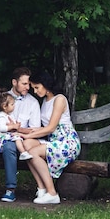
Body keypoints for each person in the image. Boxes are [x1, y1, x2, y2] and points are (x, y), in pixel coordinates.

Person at [0, 67, 41, 205]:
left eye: (29, 84)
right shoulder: (0, 99)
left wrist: (17, 129)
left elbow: (34, 130)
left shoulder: (33, 103)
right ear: (14, 82)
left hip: (16, 140)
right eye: (24, 84)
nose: (27, 87)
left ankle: (10, 189)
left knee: (9, 148)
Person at [20, 70, 81, 204]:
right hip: (53, 141)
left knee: (33, 152)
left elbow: (51, 128)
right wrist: (23, 132)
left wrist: (26, 134)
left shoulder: (59, 99)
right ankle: (41, 189)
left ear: (45, 84)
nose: (35, 91)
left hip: (67, 142)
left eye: (37, 87)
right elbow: (42, 128)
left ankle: (52, 193)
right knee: (27, 146)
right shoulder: (44, 102)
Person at [0, 91, 33, 161]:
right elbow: (2, 128)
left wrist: (16, 125)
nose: (14, 106)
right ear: (5, 106)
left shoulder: (9, 115)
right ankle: (23, 152)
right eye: (12, 104)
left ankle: (23, 152)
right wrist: (13, 127)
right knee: (16, 138)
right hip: (2, 136)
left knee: (17, 137)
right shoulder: (1, 117)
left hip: (7, 135)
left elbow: (12, 124)